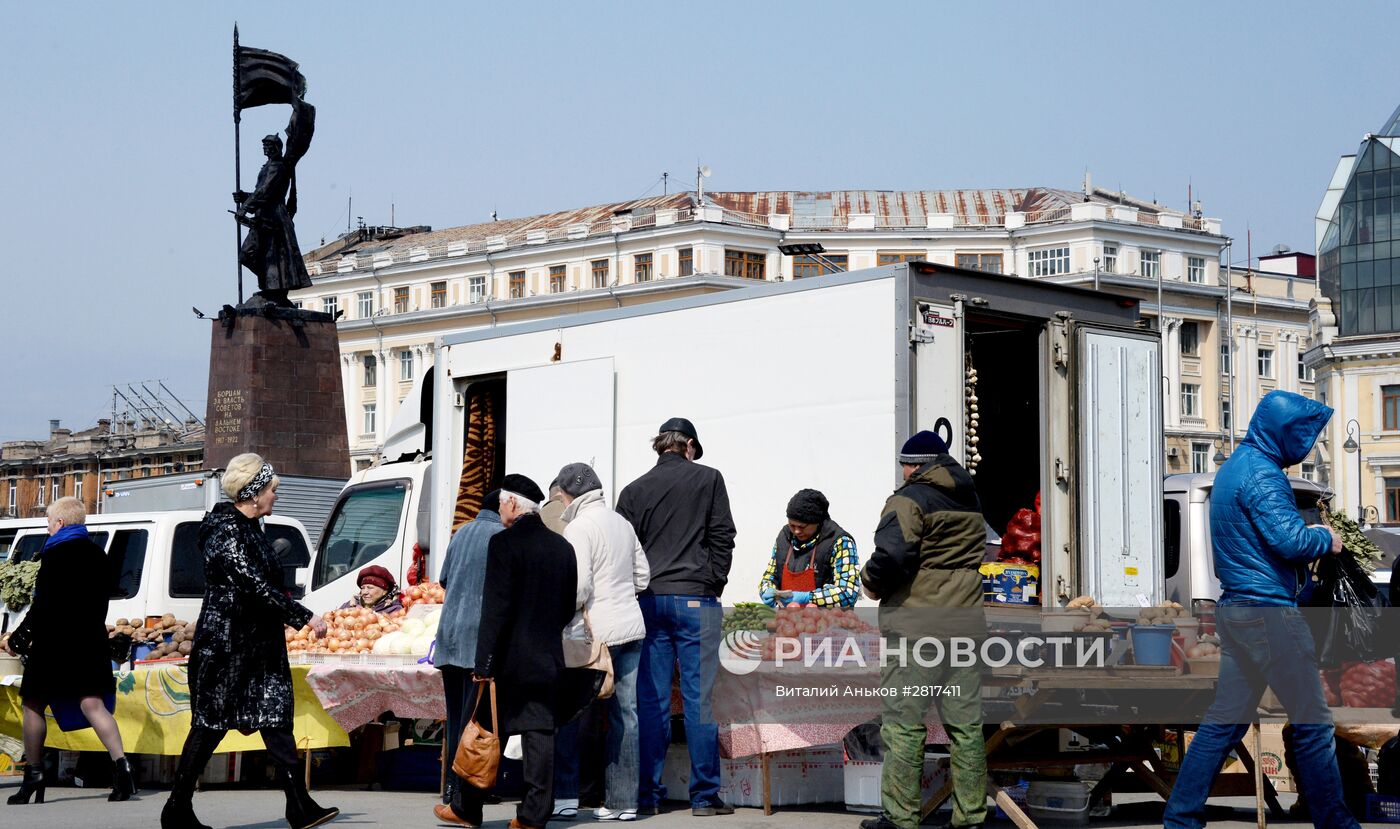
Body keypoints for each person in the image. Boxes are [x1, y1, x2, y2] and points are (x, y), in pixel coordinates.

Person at [1164, 390, 1357, 829]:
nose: (1306, 444)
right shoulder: (1264, 475)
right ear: (1285, 432)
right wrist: (1327, 537)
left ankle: (1179, 819)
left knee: (1222, 725)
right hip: (1270, 612)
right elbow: (1289, 541)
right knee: (1313, 725)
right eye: (1303, 435)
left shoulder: (1233, 469)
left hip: (1238, 609)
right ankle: (1336, 822)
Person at [161, 453, 337, 829]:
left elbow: (264, 583)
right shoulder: (224, 530)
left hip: (260, 645)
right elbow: (253, 585)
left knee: (276, 719)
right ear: (254, 493)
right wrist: (303, 616)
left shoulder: (253, 528)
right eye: (273, 489)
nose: (277, 496)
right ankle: (176, 808)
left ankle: (299, 805)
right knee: (209, 725)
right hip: (226, 647)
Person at [859, 430, 988, 829]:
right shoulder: (970, 499)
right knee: (966, 728)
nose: (902, 470)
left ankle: (900, 819)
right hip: (965, 627)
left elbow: (893, 553)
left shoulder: (909, 499)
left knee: (903, 725)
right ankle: (970, 818)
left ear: (916, 465)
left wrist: (870, 581)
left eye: (904, 463)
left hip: (917, 630)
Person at [616, 417, 736, 817]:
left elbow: (624, 550)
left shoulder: (633, 491)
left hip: (649, 600)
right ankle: (704, 797)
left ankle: (647, 795)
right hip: (695, 599)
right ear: (688, 446)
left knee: (651, 702)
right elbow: (723, 536)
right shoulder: (709, 479)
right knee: (700, 700)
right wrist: (713, 582)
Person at [3, 497, 134, 805]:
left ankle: (33, 776)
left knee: (33, 704)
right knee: (93, 704)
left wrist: (19, 637)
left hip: (54, 644)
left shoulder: (55, 554)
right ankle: (123, 768)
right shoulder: (99, 554)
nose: (48, 527)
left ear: (59, 523)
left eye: (49, 522)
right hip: (90, 641)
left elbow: (44, 605)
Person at [467, 475, 579, 829]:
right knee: (540, 733)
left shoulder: (503, 544)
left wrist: (484, 660)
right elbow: (566, 607)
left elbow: (495, 609)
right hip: (546, 655)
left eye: (501, 502)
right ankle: (533, 815)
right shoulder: (563, 547)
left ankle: (467, 807)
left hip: (507, 659)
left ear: (513, 504)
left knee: (482, 728)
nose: (499, 508)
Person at [550, 463, 651, 822]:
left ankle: (565, 796)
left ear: (568, 494)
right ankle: (624, 802)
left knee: (570, 714)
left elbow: (578, 587)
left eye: (559, 495)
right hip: (630, 629)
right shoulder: (621, 522)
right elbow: (643, 575)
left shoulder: (579, 526)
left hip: (594, 637)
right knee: (627, 716)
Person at [433, 489, 505, 824]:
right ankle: (465, 793)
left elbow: (444, 580)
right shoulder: (501, 536)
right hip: (476, 642)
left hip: (448, 638)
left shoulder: (461, 532)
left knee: (455, 718)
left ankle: (451, 790)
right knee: (473, 722)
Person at [233, 97, 315, 306]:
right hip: (263, 217)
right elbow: (261, 192)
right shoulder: (268, 167)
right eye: (264, 145)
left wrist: (245, 208)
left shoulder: (277, 167)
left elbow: (265, 192)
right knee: (251, 255)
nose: (265, 148)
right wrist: (244, 197)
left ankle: (274, 293)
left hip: (274, 219)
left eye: (269, 145)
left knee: (272, 257)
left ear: (276, 147)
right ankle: (270, 289)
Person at [758, 489, 861, 609]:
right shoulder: (785, 537)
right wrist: (766, 589)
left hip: (828, 623)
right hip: (788, 622)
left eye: (802, 527)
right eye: (792, 525)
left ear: (817, 522)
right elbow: (769, 575)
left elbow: (848, 593)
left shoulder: (840, 542)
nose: (796, 531)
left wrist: (808, 597)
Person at [338, 564, 404, 614]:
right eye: (363, 588)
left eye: (370, 588)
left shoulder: (394, 610)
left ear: (384, 591)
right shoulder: (350, 605)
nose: (365, 592)